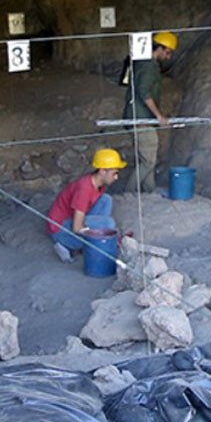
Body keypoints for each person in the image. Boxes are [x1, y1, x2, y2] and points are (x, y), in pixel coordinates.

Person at [47, 148, 126, 262]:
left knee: (106, 200)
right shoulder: (84, 188)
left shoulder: (97, 184)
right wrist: (109, 235)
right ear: (103, 171)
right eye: (114, 173)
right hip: (60, 230)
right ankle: (67, 245)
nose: (116, 177)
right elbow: (76, 228)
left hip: (71, 219)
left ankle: (92, 241)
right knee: (108, 223)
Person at [123, 30, 176, 194]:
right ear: (159, 48)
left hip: (139, 117)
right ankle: (129, 193)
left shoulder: (143, 63)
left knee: (147, 160)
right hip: (141, 119)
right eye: (167, 52)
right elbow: (144, 92)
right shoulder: (149, 66)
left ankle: (150, 191)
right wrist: (159, 116)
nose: (168, 57)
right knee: (148, 162)